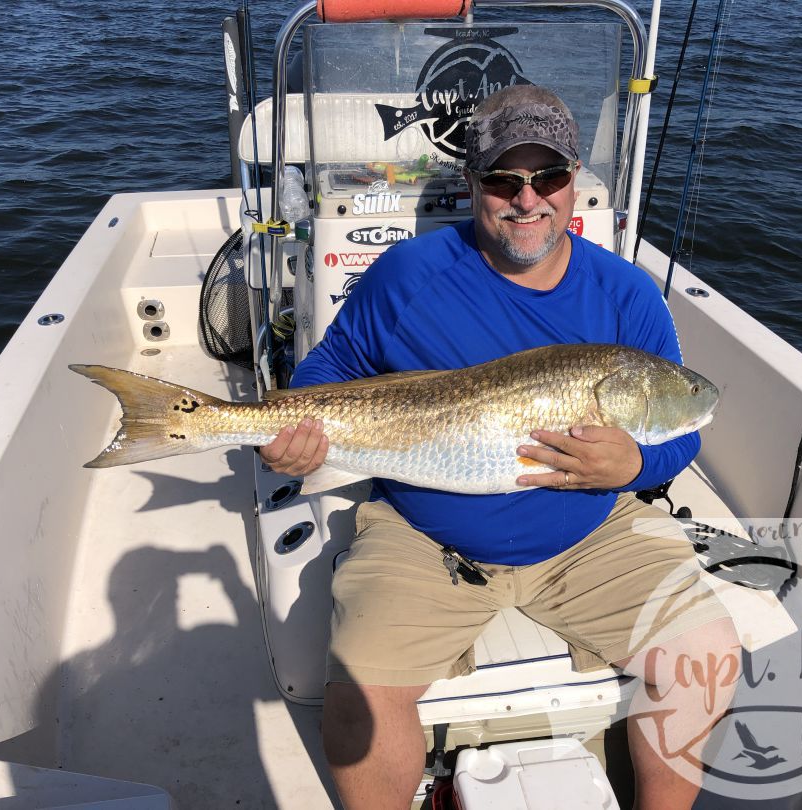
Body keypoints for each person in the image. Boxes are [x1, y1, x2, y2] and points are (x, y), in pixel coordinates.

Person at [261, 84, 739, 809]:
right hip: (424, 534)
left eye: (547, 177)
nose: (528, 199)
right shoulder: (407, 275)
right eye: (503, 180)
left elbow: (679, 433)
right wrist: (290, 437)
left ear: (573, 182)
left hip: (592, 530)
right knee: (359, 690)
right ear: (472, 185)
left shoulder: (628, 295)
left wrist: (636, 465)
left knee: (707, 653)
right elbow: (329, 373)